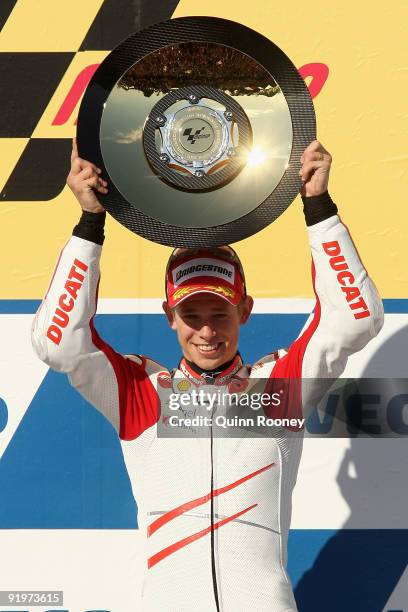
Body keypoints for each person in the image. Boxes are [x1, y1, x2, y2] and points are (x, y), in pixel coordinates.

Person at [32, 138, 383, 612]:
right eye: (191, 313)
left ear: (245, 310)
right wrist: (90, 224)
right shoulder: (143, 395)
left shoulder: (278, 389)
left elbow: (355, 318)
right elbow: (58, 342)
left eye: (220, 313)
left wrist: (318, 207)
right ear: (169, 316)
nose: (206, 331)